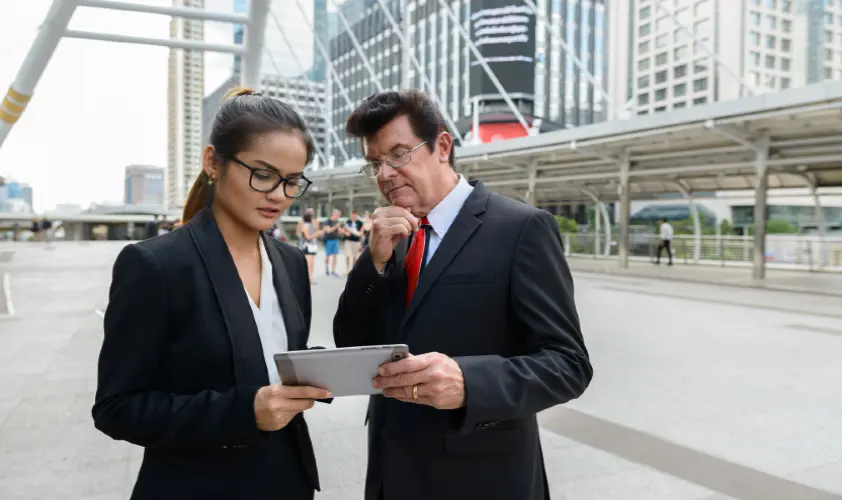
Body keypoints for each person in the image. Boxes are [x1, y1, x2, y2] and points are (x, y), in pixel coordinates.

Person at [333, 89, 593, 500]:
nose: (384, 174)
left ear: (442, 146)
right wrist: (372, 263)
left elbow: (568, 364)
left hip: (482, 476)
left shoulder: (520, 229)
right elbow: (349, 342)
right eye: (374, 163)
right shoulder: (391, 236)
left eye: (398, 154)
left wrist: (470, 382)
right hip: (391, 472)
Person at [92, 87, 331, 500]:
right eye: (263, 174)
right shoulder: (155, 265)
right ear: (213, 163)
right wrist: (244, 412)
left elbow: (262, 355)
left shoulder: (291, 263)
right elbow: (117, 408)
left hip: (288, 480)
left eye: (292, 181)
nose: (279, 195)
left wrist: (317, 371)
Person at [342, 209, 364, 274]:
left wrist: (358, 235)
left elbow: (361, 233)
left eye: (354, 215)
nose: (353, 216)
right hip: (348, 241)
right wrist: (345, 233)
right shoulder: (347, 221)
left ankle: (353, 269)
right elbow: (343, 230)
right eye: (352, 215)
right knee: (348, 255)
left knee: (355, 256)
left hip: (356, 241)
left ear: (356, 215)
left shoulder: (360, 223)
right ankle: (347, 269)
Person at [322, 208, 342, 276]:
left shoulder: (337, 221)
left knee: (335, 255)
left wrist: (343, 231)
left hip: (335, 240)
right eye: (338, 215)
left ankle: (333, 270)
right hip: (328, 240)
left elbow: (339, 230)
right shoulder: (327, 221)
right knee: (327, 256)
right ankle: (327, 268)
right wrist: (336, 226)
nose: (338, 217)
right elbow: (328, 231)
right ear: (334, 214)